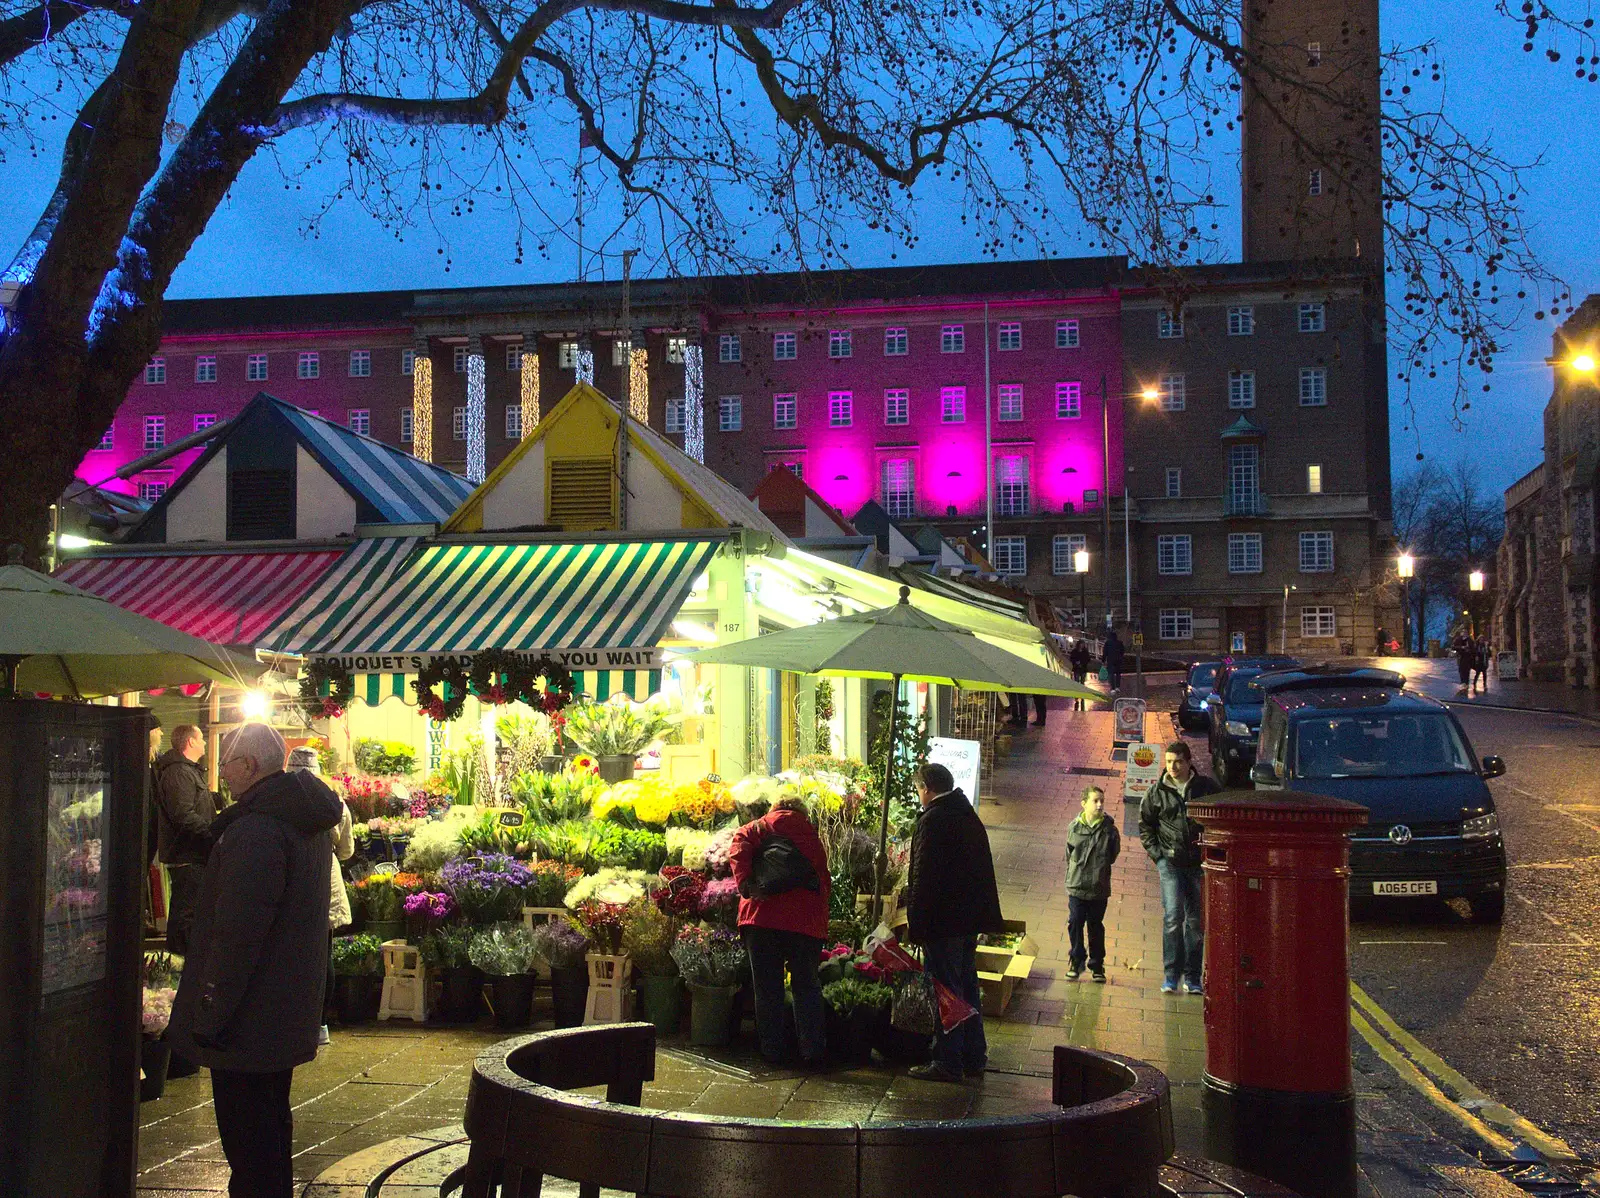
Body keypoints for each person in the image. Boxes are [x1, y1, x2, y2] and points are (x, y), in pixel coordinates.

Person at [167, 723, 343, 1198]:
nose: (221, 774)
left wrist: (211, 1011)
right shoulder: (301, 820)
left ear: (249, 765)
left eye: (225, 763)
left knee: (249, 1144)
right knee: (268, 1131)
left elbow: (238, 934)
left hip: (248, 1017)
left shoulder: (258, 829)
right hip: (280, 1007)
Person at [905, 762, 1004, 1083]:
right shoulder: (966, 814)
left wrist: (916, 924)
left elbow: (924, 877)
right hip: (967, 921)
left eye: (918, 790)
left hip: (943, 921)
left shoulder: (933, 820)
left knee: (946, 991)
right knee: (966, 986)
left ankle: (948, 1060)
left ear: (926, 788)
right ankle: (974, 1055)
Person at [729, 794, 831, 1066]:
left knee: (767, 987)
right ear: (803, 812)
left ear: (776, 807)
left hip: (762, 918)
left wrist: (746, 886)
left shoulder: (760, 826)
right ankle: (812, 1051)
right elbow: (822, 880)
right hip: (804, 923)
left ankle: (773, 1050)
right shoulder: (811, 836)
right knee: (806, 985)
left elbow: (738, 845)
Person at [1138, 741, 1220, 996]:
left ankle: (1193, 977)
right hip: (1170, 863)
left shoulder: (1206, 787)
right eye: (1169, 761)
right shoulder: (1157, 791)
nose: (1172, 767)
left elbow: (1220, 816)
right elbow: (1145, 825)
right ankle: (1171, 975)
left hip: (1198, 863)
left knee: (1195, 922)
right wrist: (1158, 856)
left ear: (1188, 762)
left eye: (1178, 762)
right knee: (1173, 918)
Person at [287, 745, 352, 1048]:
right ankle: (320, 1022)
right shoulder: (334, 801)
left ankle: (290, 1019)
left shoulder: (279, 799)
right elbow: (347, 850)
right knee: (322, 955)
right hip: (326, 878)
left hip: (290, 882)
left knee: (289, 953)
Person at [154, 724, 222, 956]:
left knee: (192, 911)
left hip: (196, 855)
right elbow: (182, 815)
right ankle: (180, 964)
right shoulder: (178, 773)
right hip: (188, 855)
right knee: (187, 913)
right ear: (190, 742)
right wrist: (213, 833)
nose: (204, 742)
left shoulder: (188, 771)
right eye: (201, 738)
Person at [1064, 786, 1120, 983]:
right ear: (1084, 803)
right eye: (1095, 801)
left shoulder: (1110, 830)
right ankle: (1076, 960)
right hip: (1077, 885)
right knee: (1075, 922)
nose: (1099, 805)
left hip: (1098, 887)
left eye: (1101, 801)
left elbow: (1112, 855)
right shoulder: (1074, 827)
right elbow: (1069, 855)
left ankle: (1097, 965)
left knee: (1095, 926)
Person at [1069, 640, 1093, 711]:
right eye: (1081, 644)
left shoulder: (1085, 652)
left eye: (1083, 644)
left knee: (1082, 682)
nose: (1082, 645)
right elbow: (1071, 658)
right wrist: (1076, 662)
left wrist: (1082, 663)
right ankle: (1077, 695)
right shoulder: (1074, 651)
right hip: (1076, 669)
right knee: (1076, 682)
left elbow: (1088, 659)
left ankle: (1082, 694)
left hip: (1083, 669)